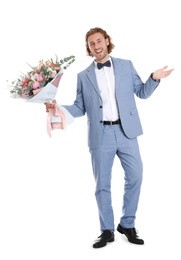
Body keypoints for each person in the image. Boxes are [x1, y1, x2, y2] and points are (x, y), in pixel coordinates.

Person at [45, 27, 173, 248]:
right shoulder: (83, 76)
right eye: (91, 43)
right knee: (102, 184)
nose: (96, 46)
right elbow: (79, 107)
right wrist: (58, 108)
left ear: (106, 41)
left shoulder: (126, 65)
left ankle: (127, 224)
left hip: (127, 132)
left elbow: (141, 92)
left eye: (99, 41)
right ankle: (106, 230)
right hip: (100, 134)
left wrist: (154, 78)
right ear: (89, 48)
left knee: (135, 176)